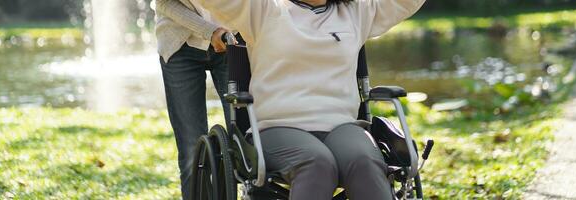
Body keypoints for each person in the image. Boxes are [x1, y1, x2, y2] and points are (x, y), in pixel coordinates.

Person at [198, 0, 425, 199]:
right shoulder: (263, 9)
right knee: (316, 163)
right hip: (278, 126)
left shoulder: (356, 12)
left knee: (364, 160)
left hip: (341, 125)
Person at [154, 0, 231, 199]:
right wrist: (210, 31)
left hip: (233, 38)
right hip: (180, 44)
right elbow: (163, 3)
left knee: (247, 141)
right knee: (192, 152)